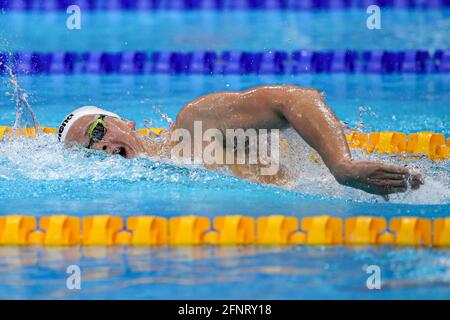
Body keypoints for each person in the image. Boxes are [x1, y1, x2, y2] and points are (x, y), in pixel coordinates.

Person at [58, 85, 423, 197]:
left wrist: (342, 164)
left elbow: (296, 99)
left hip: (368, 174)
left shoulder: (195, 121)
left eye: (97, 131)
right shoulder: (151, 191)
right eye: (87, 151)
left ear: (124, 121)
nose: (100, 147)